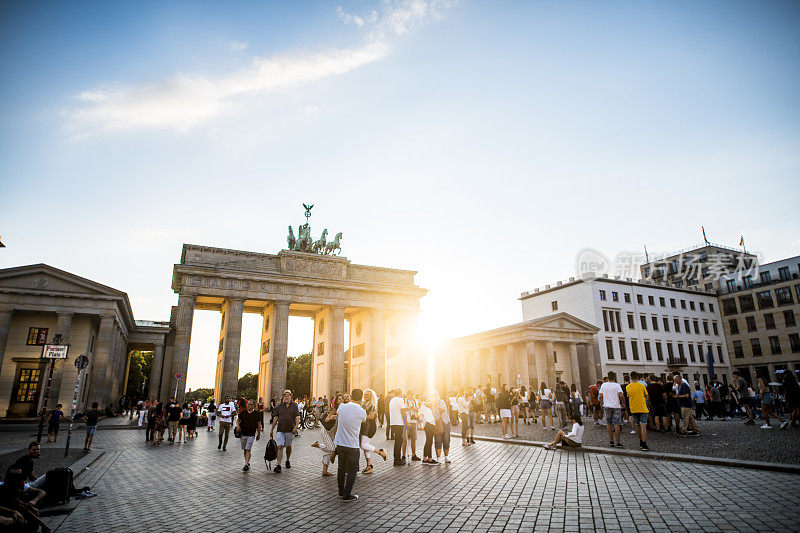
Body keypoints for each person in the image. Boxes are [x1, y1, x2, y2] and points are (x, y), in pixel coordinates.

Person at [334, 389, 366, 502]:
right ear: (361, 398)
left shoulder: (342, 407)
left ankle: (341, 491)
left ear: (351, 396)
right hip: (352, 444)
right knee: (353, 468)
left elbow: (338, 413)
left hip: (340, 442)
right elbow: (363, 420)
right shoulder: (362, 411)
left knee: (341, 467)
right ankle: (347, 494)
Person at [270, 389, 300, 473]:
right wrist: (272, 429)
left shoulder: (294, 406)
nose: (286, 397)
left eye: (288, 396)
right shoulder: (279, 406)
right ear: (283, 397)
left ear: (291, 397)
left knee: (288, 445)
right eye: (285, 396)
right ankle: (278, 465)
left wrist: (296, 427)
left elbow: (297, 417)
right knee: (280, 446)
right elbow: (276, 418)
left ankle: (287, 459)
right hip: (280, 429)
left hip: (290, 430)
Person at [359, 389, 387, 474]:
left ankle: (381, 452)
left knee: (364, 445)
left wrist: (360, 416)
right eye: (365, 394)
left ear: (371, 396)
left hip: (370, 427)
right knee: (364, 446)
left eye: (367, 395)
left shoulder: (372, 405)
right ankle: (369, 466)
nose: (365, 396)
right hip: (364, 427)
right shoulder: (363, 404)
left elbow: (371, 417)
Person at [312, 404, 338, 476]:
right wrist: (332, 417)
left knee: (328, 452)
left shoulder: (343, 414)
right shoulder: (334, 413)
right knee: (331, 449)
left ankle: (324, 471)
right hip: (326, 432)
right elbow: (326, 420)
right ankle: (318, 445)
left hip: (332, 434)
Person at [626, 371, 650, 450]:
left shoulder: (628, 387)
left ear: (630, 377)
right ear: (637, 377)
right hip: (642, 408)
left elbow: (628, 396)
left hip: (633, 408)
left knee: (638, 426)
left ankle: (640, 441)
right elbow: (647, 396)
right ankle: (644, 444)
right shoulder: (642, 385)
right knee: (643, 426)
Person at [236, 400, 262, 471]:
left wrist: (259, 434)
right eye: (248, 404)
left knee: (248, 449)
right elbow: (238, 420)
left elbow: (259, 424)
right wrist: (238, 426)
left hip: (251, 434)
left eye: (250, 404)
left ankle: (246, 464)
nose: (248, 406)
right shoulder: (243, 412)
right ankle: (247, 461)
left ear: (254, 405)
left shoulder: (257, 414)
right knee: (245, 449)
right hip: (243, 434)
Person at [599, 372, 624, 448]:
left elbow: (600, 396)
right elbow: (621, 395)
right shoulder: (617, 385)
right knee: (616, 424)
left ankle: (611, 441)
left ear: (608, 377)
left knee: (609, 423)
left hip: (607, 406)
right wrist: (623, 403)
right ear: (614, 377)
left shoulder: (603, 385)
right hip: (616, 406)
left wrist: (601, 404)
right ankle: (618, 442)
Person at [419, 392, 440, 465]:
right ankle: (430, 460)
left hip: (431, 425)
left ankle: (425, 459)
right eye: (429, 399)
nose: (430, 400)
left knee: (428, 441)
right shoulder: (423, 406)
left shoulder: (430, 407)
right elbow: (421, 417)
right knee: (429, 442)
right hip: (428, 425)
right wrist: (420, 424)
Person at [388, 388, 408, 465]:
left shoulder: (392, 400)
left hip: (393, 423)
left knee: (397, 442)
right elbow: (403, 412)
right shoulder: (400, 400)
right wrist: (406, 423)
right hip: (399, 423)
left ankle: (396, 458)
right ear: (401, 393)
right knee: (399, 442)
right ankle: (397, 460)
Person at [403, 391, 421, 462]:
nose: (411, 397)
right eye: (409, 395)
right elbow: (403, 410)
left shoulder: (415, 401)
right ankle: (403, 456)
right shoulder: (404, 401)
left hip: (413, 422)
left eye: (412, 396)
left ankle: (414, 455)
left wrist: (414, 409)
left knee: (414, 439)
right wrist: (409, 408)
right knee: (404, 440)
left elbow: (417, 410)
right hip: (406, 422)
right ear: (407, 395)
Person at [436, 392, 452, 463]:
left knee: (446, 439)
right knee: (438, 440)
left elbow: (443, 410)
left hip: (445, 422)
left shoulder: (441, 401)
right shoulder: (430, 404)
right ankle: (438, 458)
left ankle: (446, 457)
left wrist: (435, 405)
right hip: (437, 423)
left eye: (436, 395)